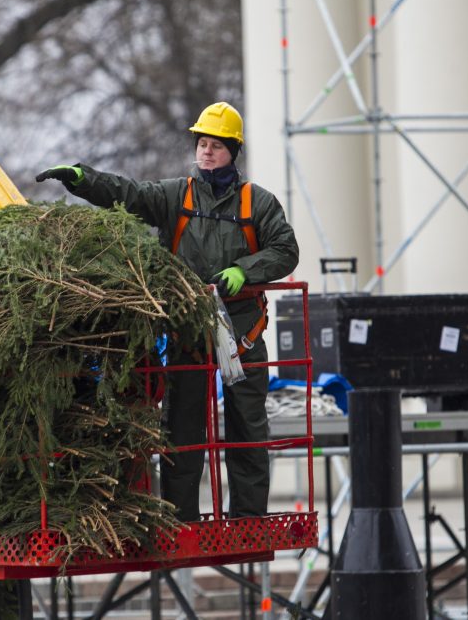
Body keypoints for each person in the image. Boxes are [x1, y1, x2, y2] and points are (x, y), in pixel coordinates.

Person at [36, 101, 299, 521]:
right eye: (201, 144)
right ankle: (181, 517)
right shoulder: (178, 195)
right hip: (189, 331)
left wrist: (243, 271)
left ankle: (248, 516)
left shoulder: (257, 203)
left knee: (248, 427)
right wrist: (85, 180)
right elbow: (129, 194)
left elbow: (286, 250)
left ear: (233, 151)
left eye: (215, 145)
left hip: (243, 331)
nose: (206, 152)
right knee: (182, 430)